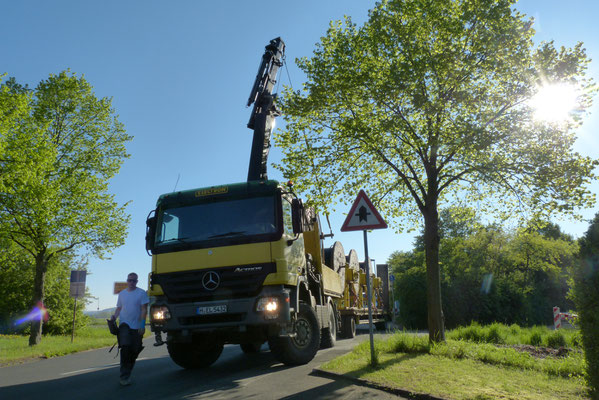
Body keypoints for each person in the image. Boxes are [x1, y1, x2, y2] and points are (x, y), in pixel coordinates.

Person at [111, 272, 149, 386]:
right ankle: (124, 376)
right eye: (129, 280)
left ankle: (128, 369)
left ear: (137, 282)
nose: (131, 282)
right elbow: (119, 308)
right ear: (127, 281)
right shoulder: (122, 294)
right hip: (124, 325)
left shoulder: (141, 293)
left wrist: (142, 325)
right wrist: (114, 317)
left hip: (137, 326)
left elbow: (144, 310)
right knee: (125, 348)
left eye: (134, 280)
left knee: (135, 349)